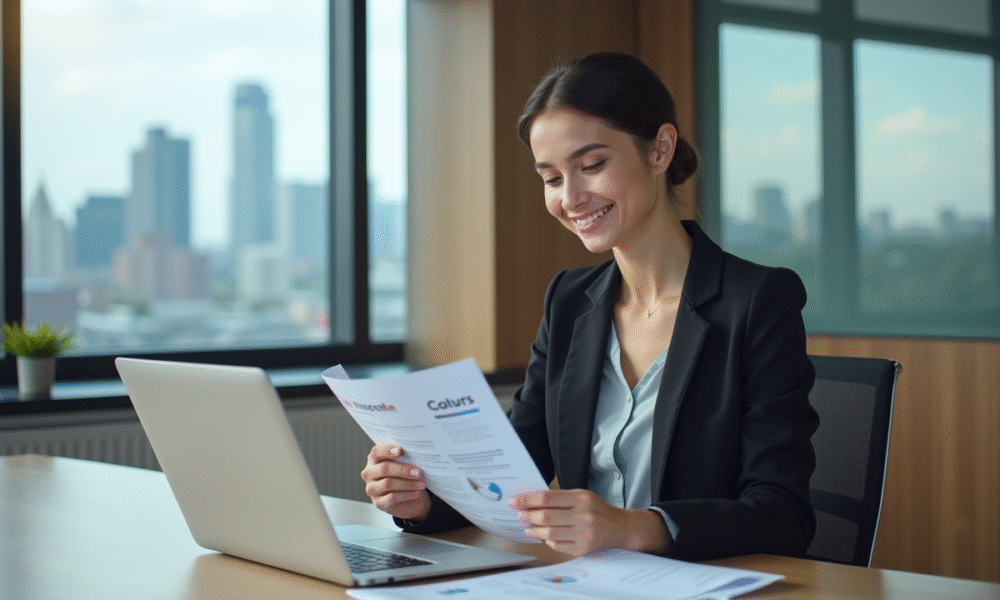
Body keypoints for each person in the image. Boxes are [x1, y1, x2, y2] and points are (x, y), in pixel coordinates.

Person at [361, 51, 819, 562]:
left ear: (660, 149)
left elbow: (783, 514)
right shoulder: (569, 301)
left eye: (592, 166)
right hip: (584, 583)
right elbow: (515, 472)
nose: (571, 197)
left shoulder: (756, 301)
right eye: (552, 178)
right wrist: (420, 499)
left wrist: (632, 528)